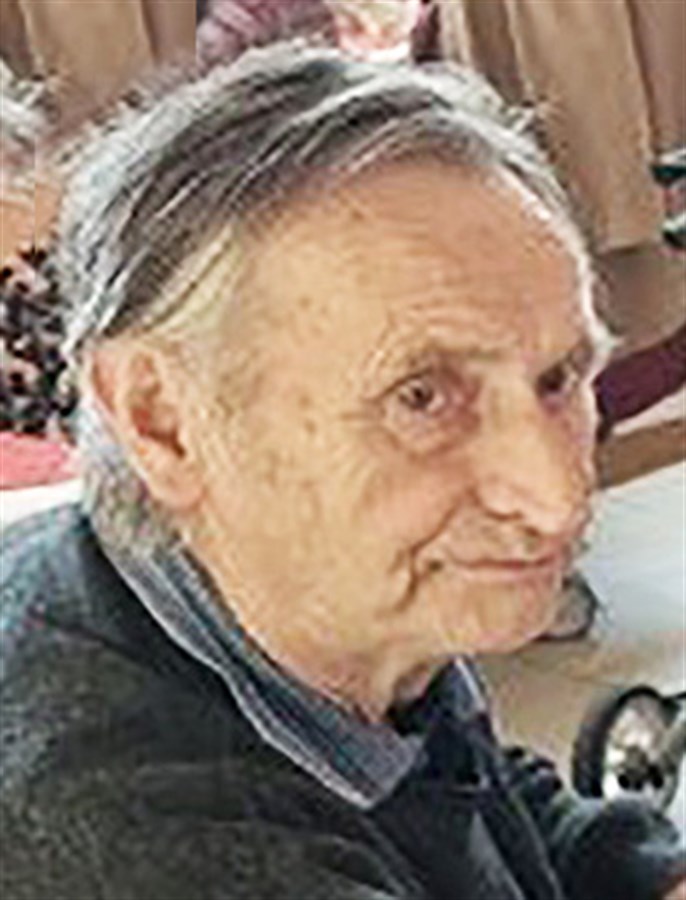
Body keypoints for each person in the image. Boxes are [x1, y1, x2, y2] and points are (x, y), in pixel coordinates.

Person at [1, 44, 684, 900]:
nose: (555, 498)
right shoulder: (145, 848)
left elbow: (464, 793)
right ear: (161, 420)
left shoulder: (288, 602)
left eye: (558, 381)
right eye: (422, 398)